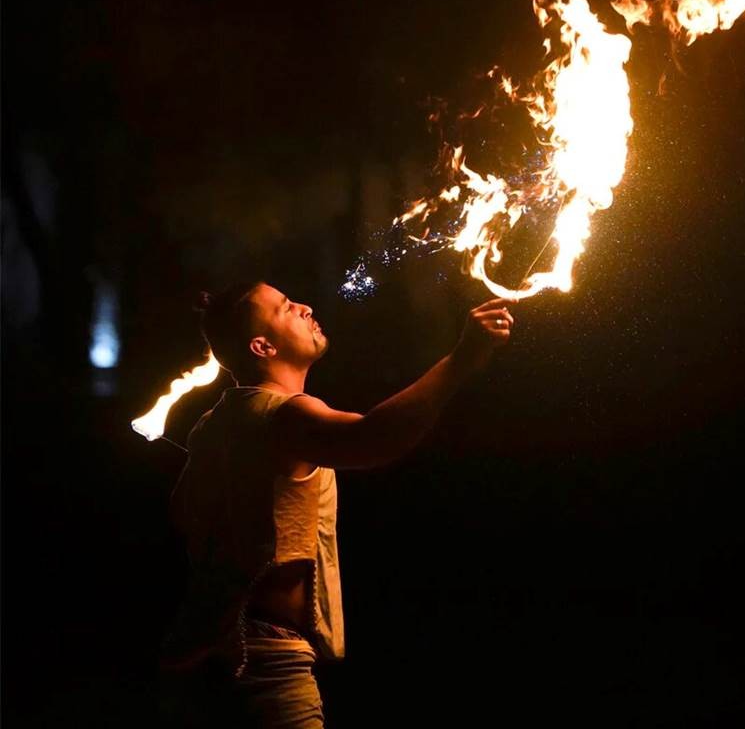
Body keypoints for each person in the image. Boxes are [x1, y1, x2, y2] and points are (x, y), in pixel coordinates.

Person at [157, 279, 515, 727]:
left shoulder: (209, 427)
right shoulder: (285, 415)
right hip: (265, 667)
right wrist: (460, 361)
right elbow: (373, 438)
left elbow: (180, 513)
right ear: (263, 346)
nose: (305, 306)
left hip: (204, 658)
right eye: (286, 308)